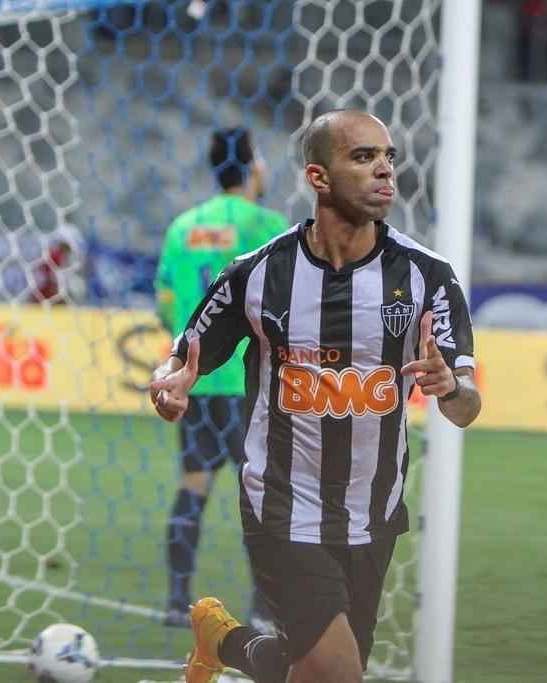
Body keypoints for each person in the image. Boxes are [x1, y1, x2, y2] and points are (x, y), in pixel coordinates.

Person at [148, 110, 482, 683]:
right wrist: (170, 380)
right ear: (318, 178)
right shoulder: (257, 273)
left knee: (313, 672)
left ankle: (226, 642)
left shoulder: (429, 277)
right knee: (338, 675)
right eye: (363, 156)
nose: (384, 169)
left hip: (372, 515)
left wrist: (453, 388)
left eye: (389, 157)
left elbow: (467, 406)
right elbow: (182, 355)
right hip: (282, 506)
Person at [154, 128, 288, 629]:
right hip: (250, 386)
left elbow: (165, 298)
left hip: (195, 380)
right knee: (262, 495)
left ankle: (175, 602)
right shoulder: (268, 225)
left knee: (194, 486)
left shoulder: (183, 226)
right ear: (252, 164)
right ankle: (263, 611)